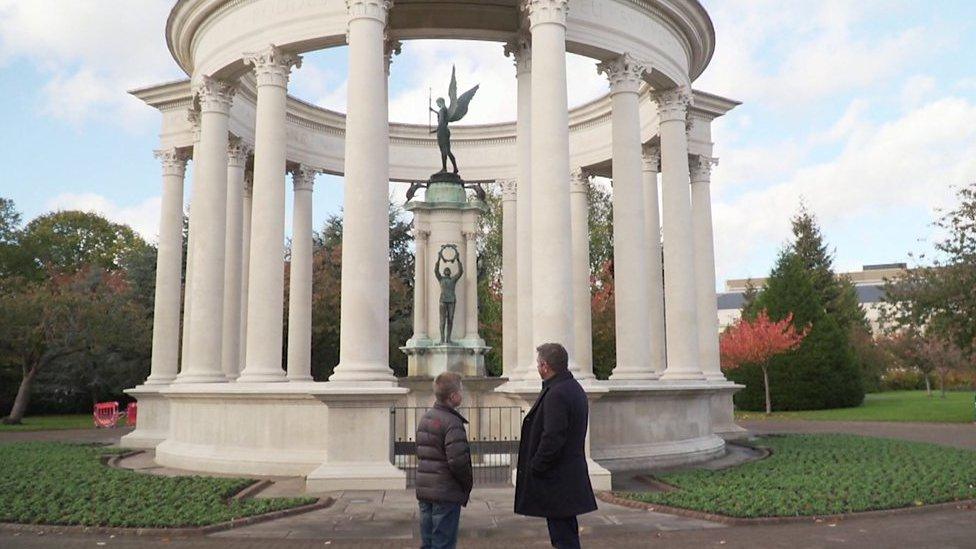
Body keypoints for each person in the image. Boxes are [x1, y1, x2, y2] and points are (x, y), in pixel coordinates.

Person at [514, 343, 597, 549]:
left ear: (545, 366)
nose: (537, 368)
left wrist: (536, 465)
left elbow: (553, 437)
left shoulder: (557, 393)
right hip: (566, 475)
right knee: (566, 533)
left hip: (557, 478)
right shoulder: (572, 388)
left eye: (538, 364)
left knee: (562, 538)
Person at [415, 371, 473, 549]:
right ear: (453, 396)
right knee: (444, 543)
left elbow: (421, 451)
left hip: (426, 489)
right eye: (461, 391)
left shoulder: (426, 418)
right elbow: (458, 461)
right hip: (446, 491)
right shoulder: (453, 423)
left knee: (428, 541)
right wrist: (466, 484)